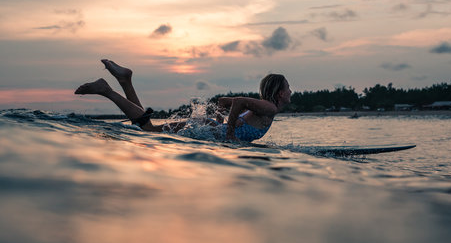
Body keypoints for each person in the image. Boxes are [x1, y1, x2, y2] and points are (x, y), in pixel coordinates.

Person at [74, 59, 291, 142]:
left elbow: (225, 101)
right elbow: (239, 102)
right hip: (207, 128)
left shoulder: (264, 107)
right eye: (288, 88)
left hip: (207, 127)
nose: (291, 91)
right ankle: (107, 90)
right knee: (148, 131)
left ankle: (125, 81)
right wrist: (230, 131)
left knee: (147, 130)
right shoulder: (269, 108)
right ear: (280, 93)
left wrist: (222, 123)